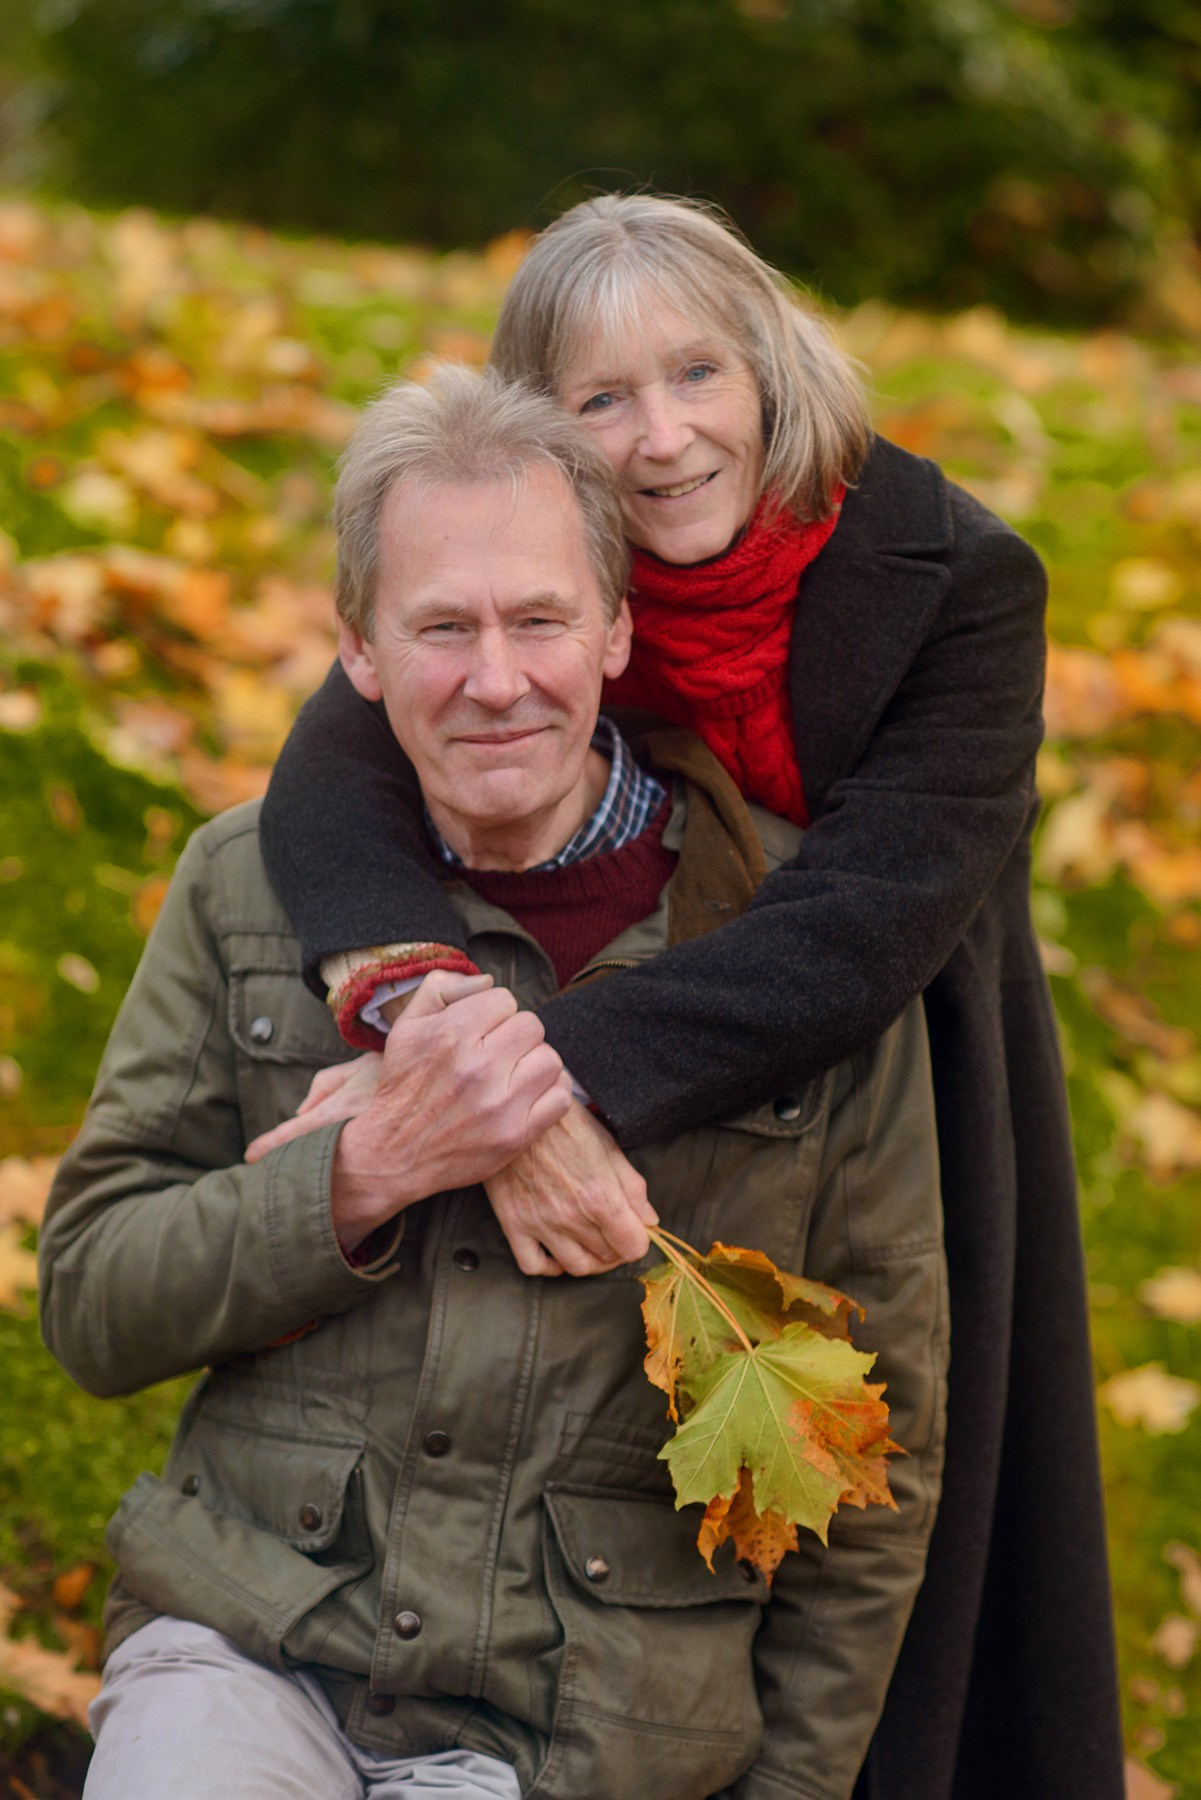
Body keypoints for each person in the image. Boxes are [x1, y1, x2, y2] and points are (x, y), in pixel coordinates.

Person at [257, 195, 1124, 1800]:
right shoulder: (549, 573)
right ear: (540, 425)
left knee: (895, 1511)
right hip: (609, 1021)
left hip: (896, 1062)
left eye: (696, 376)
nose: (659, 440)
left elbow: (865, 927)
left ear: (769, 368)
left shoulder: (956, 580)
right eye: (599, 399)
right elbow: (325, 779)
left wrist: (496, 1087)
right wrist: (423, 1012)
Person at [39, 365, 948, 1800]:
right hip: (253, 1648)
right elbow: (90, 1301)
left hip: (582, 1735)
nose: (497, 678)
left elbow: (872, 1449)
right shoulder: (240, 883)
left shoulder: (800, 943)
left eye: (538, 620)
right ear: (358, 648)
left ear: (616, 631)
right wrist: (362, 1171)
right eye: (441, 628)